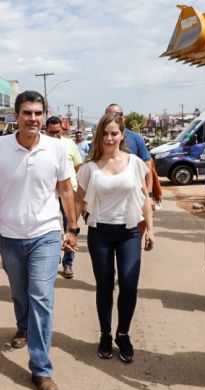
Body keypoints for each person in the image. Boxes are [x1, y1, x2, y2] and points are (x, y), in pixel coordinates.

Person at [0, 90, 78, 390]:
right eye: (27, 113)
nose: (33, 119)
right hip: (9, 235)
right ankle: (23, 325)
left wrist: (72, 227)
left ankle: (41, 369)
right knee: (20, 292)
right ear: (16, 116)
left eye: (37, 113)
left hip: (45, 233)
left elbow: (65, 190)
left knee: (41, 297)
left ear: (43, 115)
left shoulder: (56, 148)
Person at [75, 113, 155, 364]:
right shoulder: (89, 167)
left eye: (114, 133)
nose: (109, 138)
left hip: (129, 231)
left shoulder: (135, 163)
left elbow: (145, 198)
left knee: (129, 285)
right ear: (99, 135)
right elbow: (78, 199)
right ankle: (106, 335)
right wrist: (70, 229)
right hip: (100, 232)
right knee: (105, 286)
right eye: (105, 134)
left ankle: (123, 334)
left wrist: (150, 229)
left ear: (122, 135)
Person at [45, 116, 83, 279]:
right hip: (48, 194)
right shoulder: (40, 145)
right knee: (50, 229)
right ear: (45, 130)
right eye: (52, 133)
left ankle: (68, 263)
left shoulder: (69, 144)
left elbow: (78, 167)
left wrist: (79, 194)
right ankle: (53, 261)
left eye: (58, 132)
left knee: (70, 228)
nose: (55, 136)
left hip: (69, 193)